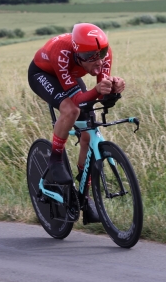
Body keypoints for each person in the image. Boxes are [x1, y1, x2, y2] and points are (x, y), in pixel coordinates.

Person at [28, 23, 125, 223]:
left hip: (69, 75)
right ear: (78, 54)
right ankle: (55, 159)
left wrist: (114, 89)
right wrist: (98, 89)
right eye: (90, 57)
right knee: (71, 109)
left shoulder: (102, 54)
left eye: (101, 53)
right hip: (44, 74)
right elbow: (78, 100)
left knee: (87, 133)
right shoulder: (62, 52)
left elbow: (100, 90)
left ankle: (84, 195)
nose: (98, 62)